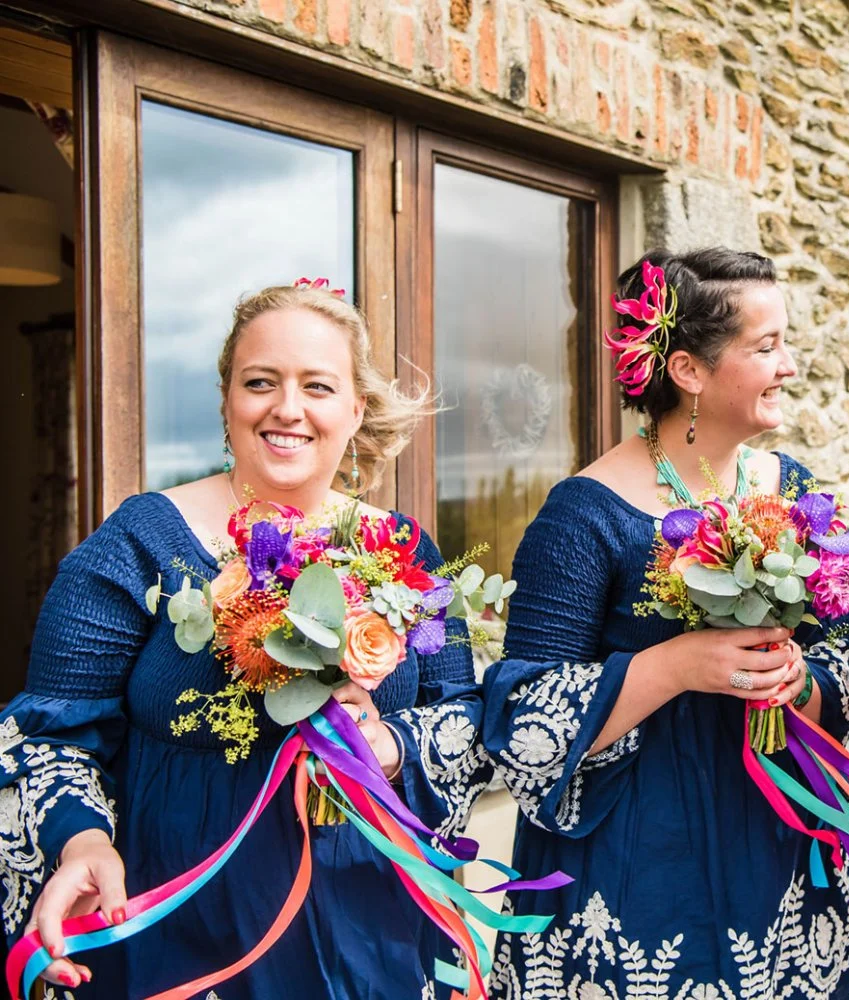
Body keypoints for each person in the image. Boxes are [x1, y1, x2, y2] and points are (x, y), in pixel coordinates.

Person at [0, 280, 489, 998]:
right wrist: (82, 840)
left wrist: (389, 747)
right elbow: (50, 738)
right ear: (228, 401)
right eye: (261, 382)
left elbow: (466, 717)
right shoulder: (138, 543)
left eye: (317, 386)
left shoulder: (406, 551)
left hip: (370, 930)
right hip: (182, 925)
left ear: (354, 410)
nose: (286, 408)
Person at [473, 248, 849, 999]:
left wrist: (799, 683)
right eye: (767, 347)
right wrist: (678, 666)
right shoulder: (583, 515)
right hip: (632, 859)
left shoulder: (792, 489)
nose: (789, 365)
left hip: (772, 835)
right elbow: (522, 717)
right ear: (689, 371)